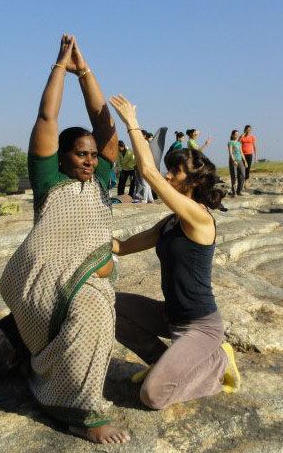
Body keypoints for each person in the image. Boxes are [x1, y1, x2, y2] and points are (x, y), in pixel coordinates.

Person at [0, 35, 130, 444]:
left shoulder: (100, 179)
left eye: (93, 154)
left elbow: (105, 125)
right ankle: (80, 412)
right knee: (93, 317)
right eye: (80, 154)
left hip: (85, 278)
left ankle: (19, 350)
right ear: (62, 156)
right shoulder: (50, 180)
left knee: (94, 310)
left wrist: (86, 71)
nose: (89, 159)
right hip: (44, 275)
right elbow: (47, 119)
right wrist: (60, 67)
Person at [108, 94, 241, 410]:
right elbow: (123, 248)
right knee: (106, 305)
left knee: (153, 397)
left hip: (201, 327)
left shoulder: (200, 217)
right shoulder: (169, 223)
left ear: (192, 182)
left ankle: (219, 363)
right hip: (170, 316)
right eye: (169, 171)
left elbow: (150, 175)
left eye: (175, 173)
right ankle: (161, 362)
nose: (168, 176)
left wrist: (132, 124)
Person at [227, 129, 247, 196]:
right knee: (234, 176)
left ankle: (239, 191)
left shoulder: (239, 143)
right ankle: (234, 192)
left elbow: (241, 152)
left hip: (240, 160)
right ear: (232, 135)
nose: (237, 135)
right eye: (235, 134)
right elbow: (230, 153)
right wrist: (233, 160)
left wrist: (245, 161)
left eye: (237, 134)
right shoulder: (230, 142)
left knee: (243, 175)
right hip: (233, 161)